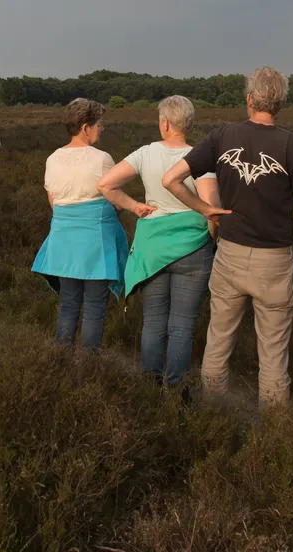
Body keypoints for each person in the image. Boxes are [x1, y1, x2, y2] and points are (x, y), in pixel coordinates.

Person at [161, 67, 293, 409]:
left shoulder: (222, 136)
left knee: (218, 340)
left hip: (230, 255)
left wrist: (204, 208)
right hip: (274, 262)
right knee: (274, 351)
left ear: (249, 100)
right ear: (280, 104)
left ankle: (213, 415)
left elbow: (171, 179)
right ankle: (272, 432)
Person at [96, 95, 219, 389]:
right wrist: (210, 244)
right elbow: (211, 208)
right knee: (182, 327)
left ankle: (150, 386)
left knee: (153, 321)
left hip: (152, 249)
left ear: (164, 123)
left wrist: (134, 206)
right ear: (188, 124)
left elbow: (105, 185)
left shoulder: (145, 153)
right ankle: (175, 389)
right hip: (194, 247)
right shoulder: (201, 156)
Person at [31, 98, 128, 353]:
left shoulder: (53, 158)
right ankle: (87, 367)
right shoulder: (103, 159)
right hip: (95, 244)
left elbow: (53, 201)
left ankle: (61, 359)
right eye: (99, 124)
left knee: (69, 304)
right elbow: (116, 198)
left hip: (63, 242)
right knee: (95, 308)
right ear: (85, 128)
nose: (102, 128)